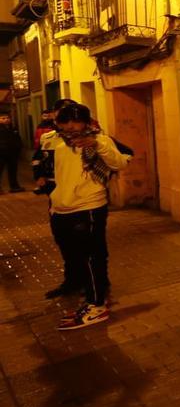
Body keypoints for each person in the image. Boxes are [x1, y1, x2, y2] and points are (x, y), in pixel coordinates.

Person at [42, 103, 131, 330]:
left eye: (76, 122)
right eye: (66, 123)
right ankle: (86, 293)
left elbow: (120, 162)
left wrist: (97, 145)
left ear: (86, 122)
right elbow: (51, 170)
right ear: (58, 123)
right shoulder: (53, 141)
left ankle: (96, 304)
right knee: (72, 254)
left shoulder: (99, 140)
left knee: (92, 256)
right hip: (60, 208)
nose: (71, 128)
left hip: (89, 206)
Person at [0, 112, 24, 193]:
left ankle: (14, 187)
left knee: (13, 171)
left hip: (12, 153)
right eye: (3, 118)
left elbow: (17, 139)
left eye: (7, 118)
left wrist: (19, 147)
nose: (6, 120)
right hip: (1, 153)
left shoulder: (13, 128)